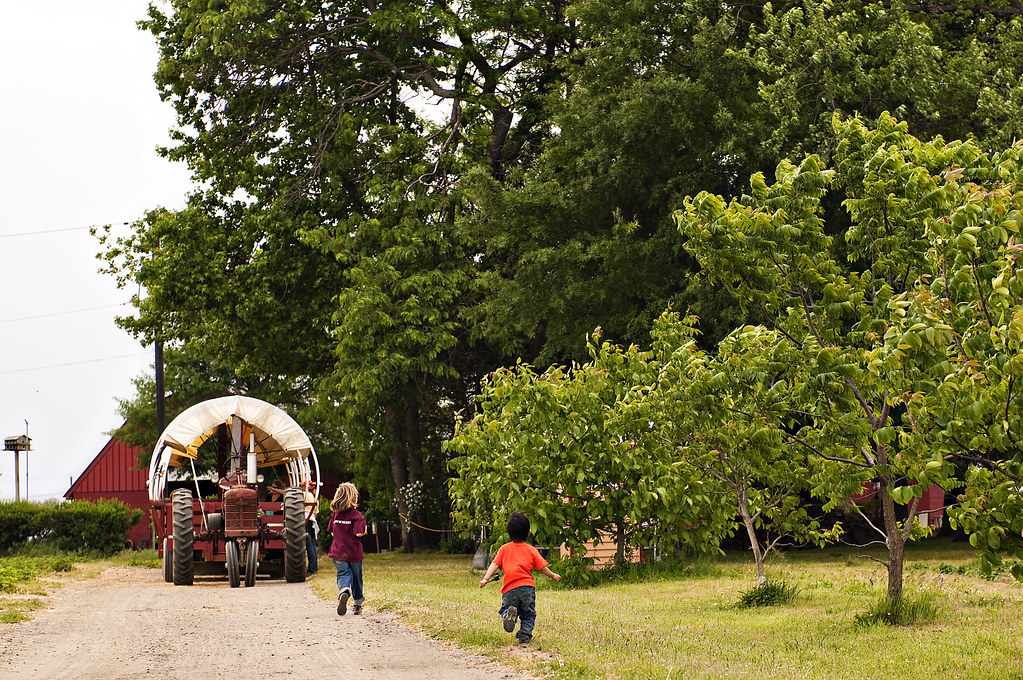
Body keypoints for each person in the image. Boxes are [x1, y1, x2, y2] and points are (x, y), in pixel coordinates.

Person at [479, 511, 561, 646]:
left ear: (509, 532)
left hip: (509, 589)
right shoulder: (531, 550)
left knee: (506, 608)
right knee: (528, 614)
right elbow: (541, 567)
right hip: (527, 589)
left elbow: (495, 564)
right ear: (528, 532)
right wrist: (552, 575)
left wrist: (486, 578)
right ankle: (524, 638)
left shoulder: (504, 549)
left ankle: (507, 615)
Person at [328, 482, 367, 616]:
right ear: (354, 497)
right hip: (354, 553)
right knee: (356, 578)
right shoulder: (357, 516)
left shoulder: (335, 515)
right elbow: (358, 533)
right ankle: (357, 605)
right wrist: (365, 530)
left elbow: (332, 532)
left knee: (343, 574)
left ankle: (344, 591)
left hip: (338, 552)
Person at [302, 482, 319, 574]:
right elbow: (315, 513)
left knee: (308, 544)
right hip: (311, 520)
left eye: (302, 486)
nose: (301, 487)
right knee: (311, 544)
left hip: (305, 519)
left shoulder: (304, 495)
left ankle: (312, 568)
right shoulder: (314, 496)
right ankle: (313, 566)